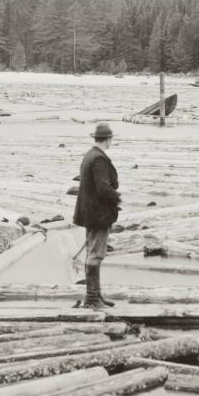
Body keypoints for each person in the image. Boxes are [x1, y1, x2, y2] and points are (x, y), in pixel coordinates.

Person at [73, 122, 121, 309]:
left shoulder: (90, 156)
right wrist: (117, 198)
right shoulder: (99, 159)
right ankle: (92, 298)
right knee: (96, 254)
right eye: (111, 139)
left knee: (92, 252)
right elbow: (103, 189)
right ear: (108, 139)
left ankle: (96, 296)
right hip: (98, 214)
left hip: (90, 212)